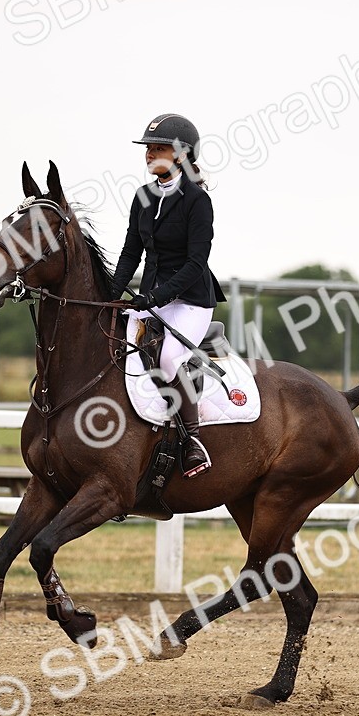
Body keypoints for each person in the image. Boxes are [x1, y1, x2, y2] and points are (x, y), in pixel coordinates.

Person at [111, 113, 227, 478]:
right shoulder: (143, 197)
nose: (149, 154)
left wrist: (157, 296)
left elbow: (196, 263)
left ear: (180, 154)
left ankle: (192, 440)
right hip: (151, 298)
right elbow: (131, 252)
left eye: (157, 148)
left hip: (191, 301)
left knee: (166, 358)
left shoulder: (197, 201)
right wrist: (112, 293)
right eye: (148, 149)